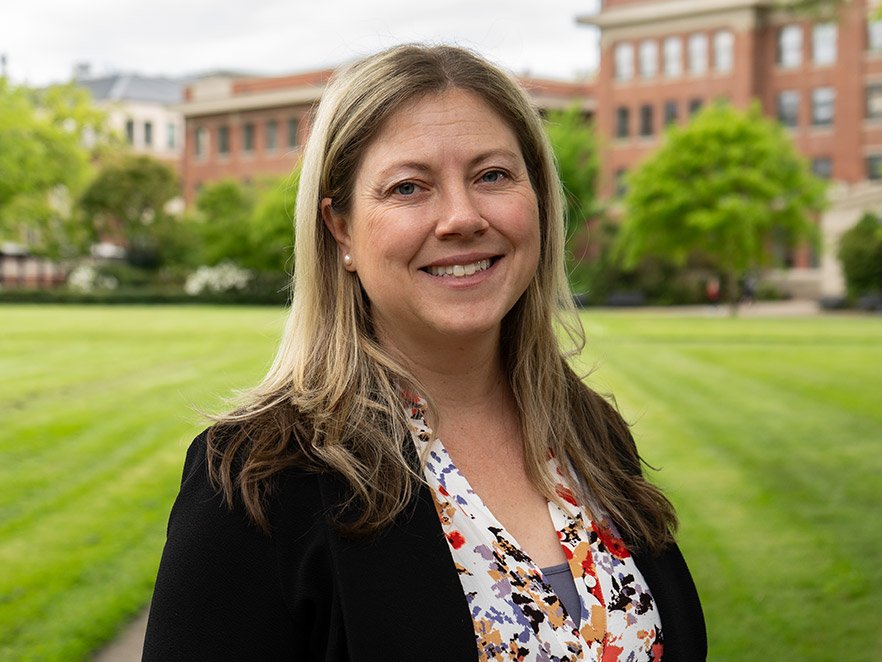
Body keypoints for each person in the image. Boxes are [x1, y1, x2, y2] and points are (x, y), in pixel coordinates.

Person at [143, 44, 706, 661]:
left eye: (493, 176)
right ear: (340, 228)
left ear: (540, 200)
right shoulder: (258, 479)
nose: (462, 218)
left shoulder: (590, 434)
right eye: (409, 187)